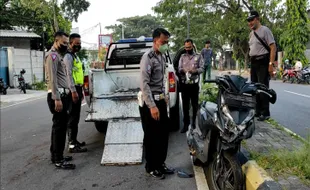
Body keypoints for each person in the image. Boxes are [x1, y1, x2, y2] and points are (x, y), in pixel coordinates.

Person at [138, 28, 174, 179]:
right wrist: (152, 106)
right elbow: (144, 84)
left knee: (163, 135)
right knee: (151, 136)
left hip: (160, 100)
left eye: (167, 42)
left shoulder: (162, 56)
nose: (165, 44)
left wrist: (164, 96)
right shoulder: (148, 57)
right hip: (150, 103)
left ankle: (160, 163)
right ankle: (151, 166)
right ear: (155, 41)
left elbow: (162, 80)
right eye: (163, 42)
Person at [46, 31, 75, 169]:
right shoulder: (52, 56)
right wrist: (57, 99)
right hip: (58, 96)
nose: (65, 45)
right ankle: (58, 158)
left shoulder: (58, 55)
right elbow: (52, 80)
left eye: (66, 43)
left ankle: (57, 155)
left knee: (59, 127)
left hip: (62, 95)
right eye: (63, 43)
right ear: (56, 41)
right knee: (59, 128)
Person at [247, 10, 276, 121]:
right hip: (254, 62)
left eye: (252, 20)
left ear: (257, 19)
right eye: (248, 21)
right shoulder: (251, 33)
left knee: (263, 87)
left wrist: (271, 64)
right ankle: (257, 111)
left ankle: (265, 112)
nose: (250, 23)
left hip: (263, 61)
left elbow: (273, 47)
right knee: (254, 88)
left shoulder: (265, 30)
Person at [63, 33, 87, 153]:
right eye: (76, 44)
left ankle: (74, 140)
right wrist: (73, 91)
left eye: (79, 43)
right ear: (70, 43)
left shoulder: (75, 56)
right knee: (72, 117)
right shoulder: (68, 57)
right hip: (72, 90)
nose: (79, 45)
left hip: (77, 88)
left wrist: (80, 90)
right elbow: (68, 75)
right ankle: (71, 145)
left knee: (76, 117)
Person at [178, 39, 204, 133]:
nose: (187, 49)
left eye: (189, 47)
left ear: (192, 46)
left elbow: (202, 68)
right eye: (186, 47)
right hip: (185, 85)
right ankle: (186, 124)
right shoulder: (182, 57)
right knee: (185, 106)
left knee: (194, 105)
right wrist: (184, 71)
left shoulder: (198, 56)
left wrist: (195, 71)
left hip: (194, 85)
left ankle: (193, 123)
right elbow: (179, 68)